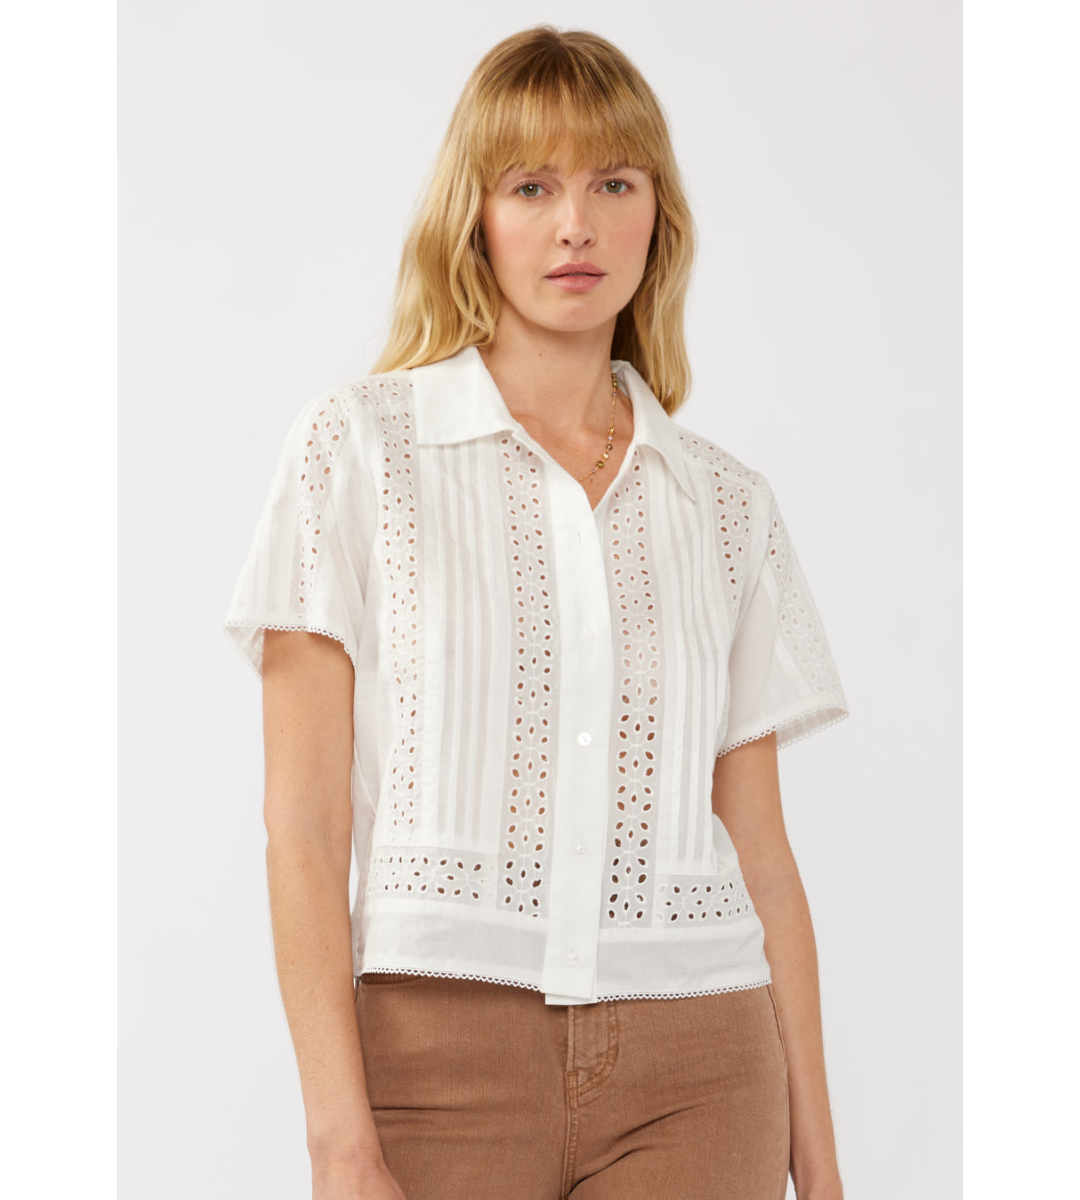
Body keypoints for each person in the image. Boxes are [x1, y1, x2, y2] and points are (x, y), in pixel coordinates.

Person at [223, 24, 850, 1200]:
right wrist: (338, 1141)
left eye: (613, 183)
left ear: (657, 215)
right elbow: (302, 825)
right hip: (433, 1060)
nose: (576, 226)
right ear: (474, 216)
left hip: (702, 1065)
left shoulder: (727, 507)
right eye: (531, 186)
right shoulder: (357, 452)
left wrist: (820, 1167)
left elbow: (765, 858)